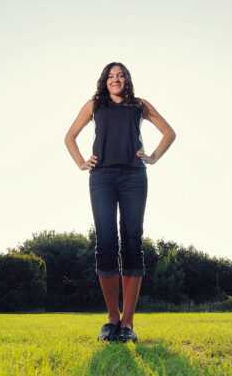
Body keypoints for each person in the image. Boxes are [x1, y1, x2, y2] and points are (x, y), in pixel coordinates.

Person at [64, 62, 176, 343]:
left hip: (134, 178)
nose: (116, 79)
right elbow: (69, 137)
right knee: (105, 243)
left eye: (121, 75)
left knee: (132, 243)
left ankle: (127, 323)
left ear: (127, 79)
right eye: (111, 76)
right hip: (101, 177)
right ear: (104, 81)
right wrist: (80, 162)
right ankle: (112, 318)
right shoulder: (95, 105)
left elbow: (169, 133)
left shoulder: (140, 105)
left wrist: (151, 157)